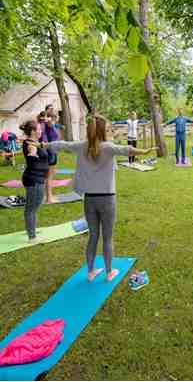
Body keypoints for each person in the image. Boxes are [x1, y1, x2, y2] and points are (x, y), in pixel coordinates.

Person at [40, 114, 156, 282]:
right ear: (103, 130)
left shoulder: (82, 146)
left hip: (90, 199)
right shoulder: (108, 147)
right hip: (107, 199)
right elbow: (128, 150)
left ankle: (91, 271)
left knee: (93, 236)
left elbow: (61, 145)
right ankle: (109, 272)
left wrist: (42, 144)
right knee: (107, 237)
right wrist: (145, 151)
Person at [20, 120, 49, 242]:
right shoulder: (30, 144)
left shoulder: (34, 142)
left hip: (36, 178)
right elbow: (33, 150)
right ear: (33, 132)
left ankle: (31, 229)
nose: (41, 131)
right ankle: (31, 236)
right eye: (39, 129)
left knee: (35, 205)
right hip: (34, 179)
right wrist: (33, 153)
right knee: (31, 208)